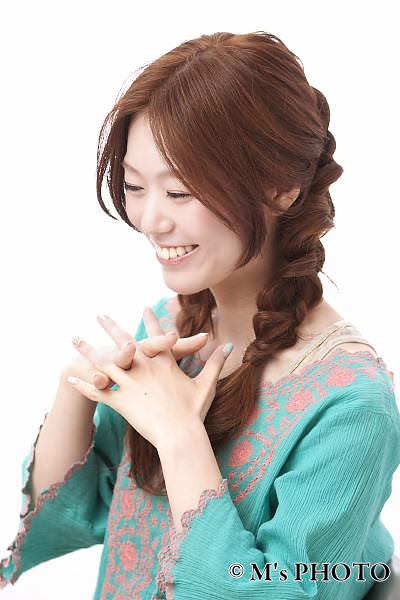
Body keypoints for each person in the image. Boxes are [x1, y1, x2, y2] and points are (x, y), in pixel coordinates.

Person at [1, 30, 399, 600]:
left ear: (282, 187)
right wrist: (79, 390)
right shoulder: (168, 331)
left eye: (180, 192)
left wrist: (180, 435)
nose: (150, 221)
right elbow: (77, 509)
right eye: (135, 186)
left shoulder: (351, 402)